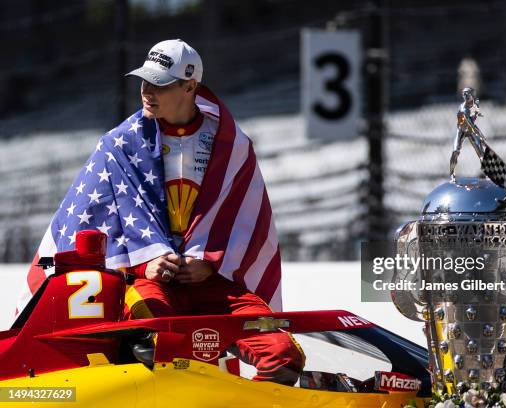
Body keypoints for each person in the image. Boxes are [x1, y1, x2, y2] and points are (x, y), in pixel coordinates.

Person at [20, 39, 304, 385]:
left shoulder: (232, 143)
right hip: (148, 283)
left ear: (190, 86)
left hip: (213, 283)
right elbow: (98, 219)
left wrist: (209, 261)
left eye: (161, 84)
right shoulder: (119, 143)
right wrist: (146, 261)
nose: (147, 91)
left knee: (283, 355)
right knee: (162, 348)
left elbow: (247, 221)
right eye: (145, 80)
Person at [449, 87, 487, 182]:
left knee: (481, 152)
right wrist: (479, 135)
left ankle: (486, 173)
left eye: (467, 93)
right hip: (462, 130)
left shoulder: (475, 105)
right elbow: (469, 124)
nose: (465, 95)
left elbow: (474, 119)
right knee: (455, 151)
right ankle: (452, 174)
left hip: (470, 130)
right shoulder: (463, 108)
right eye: (464, 93)